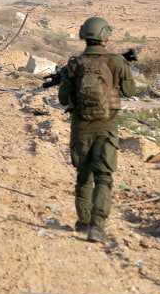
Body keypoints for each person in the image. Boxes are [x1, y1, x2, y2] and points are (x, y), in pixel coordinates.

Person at [58, 17, 136, 243]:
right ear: (104, 36)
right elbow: (130, 91)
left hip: (81, 127)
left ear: (84, 35)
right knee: (104, 176)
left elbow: (63, 99)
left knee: (83, 178)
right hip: (107, 127)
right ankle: (97, 226)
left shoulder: (75, 63)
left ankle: (83, 222)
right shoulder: (116, 62)